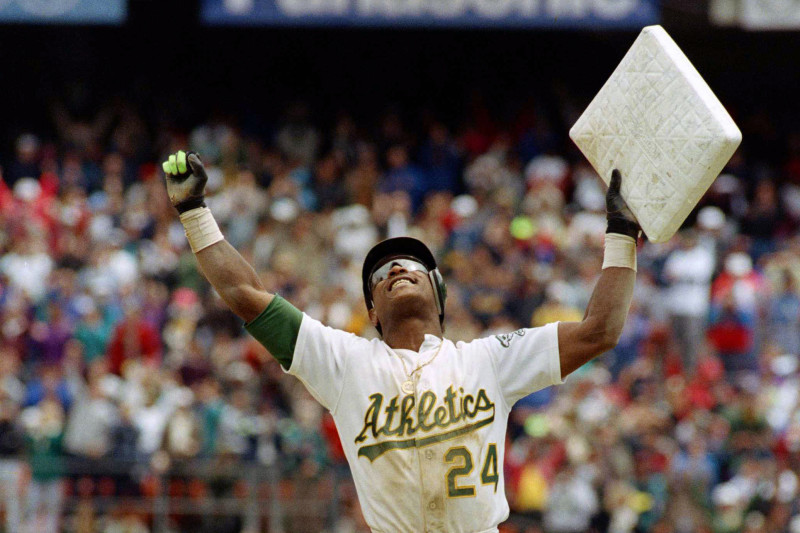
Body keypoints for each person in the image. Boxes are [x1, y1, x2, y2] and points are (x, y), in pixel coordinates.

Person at [162, 150, 639, 533]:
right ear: (371, 312)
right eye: (380, 274)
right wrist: (194, 212)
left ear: (440, 294)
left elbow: (601, 330)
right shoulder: (344, 361)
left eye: (412, 265)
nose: (395, 269)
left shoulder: (490, 360)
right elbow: (246, 296)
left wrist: (621, 234)